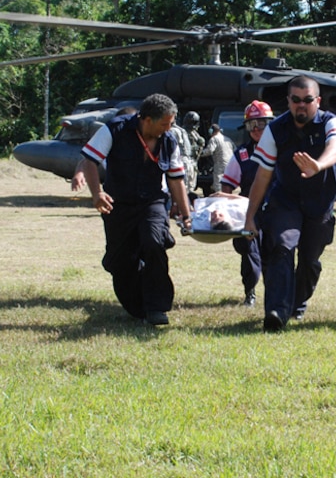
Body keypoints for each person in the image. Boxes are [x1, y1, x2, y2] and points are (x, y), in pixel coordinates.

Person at [78, 93, 193, 326]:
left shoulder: (169, 140)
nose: (168, 128)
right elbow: (90, 161)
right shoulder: (115, 129)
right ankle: (138, 307)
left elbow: (176, 180)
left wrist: (187, 215)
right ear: (147, 119)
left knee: (154, 242)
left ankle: (157, 308)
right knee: (119, 262)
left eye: (171, 123)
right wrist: (97, 193)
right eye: (165, 123)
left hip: (152, 202)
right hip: (118, 204)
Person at [244, 76, 336, 332]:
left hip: (320, 202)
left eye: (308, 100)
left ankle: (296, 304)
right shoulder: (275, 129)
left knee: (310, 262)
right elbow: (263, 175)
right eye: (296, 100)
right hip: (285, 201)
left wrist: (319, 165)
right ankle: (276, 311)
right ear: (288, 100)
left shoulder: (331, 122)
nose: (302, 105)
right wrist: (250, 217)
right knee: (281, 248)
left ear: (317, 101)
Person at [221, 100, 274, 306]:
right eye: (251, 125)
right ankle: (250, 292)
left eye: (261, 124)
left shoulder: (282, 150)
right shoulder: (241, 155)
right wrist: (227, 209)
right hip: (249, 212)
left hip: (276, 211)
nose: (256, 130)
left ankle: (275, 293)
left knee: (275, 253)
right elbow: (227, 184)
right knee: (249, 252)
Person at [201, 123, 235, 195]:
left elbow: (209, 151)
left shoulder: (214, 139)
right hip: (230, 164)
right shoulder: (227, 139)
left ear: (211, 131)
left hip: (220, 163)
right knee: (227, 182)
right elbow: (235, 149)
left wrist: (199, 153)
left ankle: (220, 198)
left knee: (218, 184)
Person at [182, 111, 205, 195]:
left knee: (191, 185)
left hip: (193, 162)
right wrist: (193, 148)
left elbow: (200, 143)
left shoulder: (195, 133)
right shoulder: (183, 132)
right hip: (186, 161)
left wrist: (200, 144)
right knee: (186, 185)